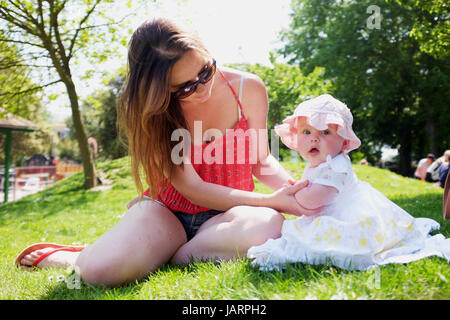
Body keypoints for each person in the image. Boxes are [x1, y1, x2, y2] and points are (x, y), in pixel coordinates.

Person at [14, 18, 309, 287]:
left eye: (205, 71)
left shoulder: (249, 88)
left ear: (207, 53)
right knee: (99, 274)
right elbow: (192, 189)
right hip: (167, 214)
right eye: (184, 88)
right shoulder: (153, 113)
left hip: (232, 215)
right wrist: (270, 200)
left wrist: (295, 191)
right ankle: (80, 257)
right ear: (158, 89)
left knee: (268, 226)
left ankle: (161, 254)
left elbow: (260, 159)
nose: (203, 88)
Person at [247, 94, 450, 271]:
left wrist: (292, 193)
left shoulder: (337, 166)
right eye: (306, 132)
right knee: (306, 236)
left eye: (325, 132)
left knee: (324, 243)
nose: (314, 139)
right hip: (331, 212)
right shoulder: (320, 164)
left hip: (350, 217)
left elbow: (311, 201)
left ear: (343, 142)